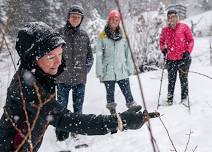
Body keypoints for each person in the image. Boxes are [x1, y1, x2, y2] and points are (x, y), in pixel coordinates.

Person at [0, 21, 151, 152]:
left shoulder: (39, 74)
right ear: (33, 58)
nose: (58, 62)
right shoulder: (27, 88)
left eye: (60, 54)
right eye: (51, 57)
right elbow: (64, 119)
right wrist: (119, 121)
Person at [55, 4, 94, 141]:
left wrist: (85, 70)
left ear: (81, 19)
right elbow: (53, 55)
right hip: (62, 79)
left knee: (78, 107)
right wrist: (56, 71)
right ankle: (61, 132)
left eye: (78, 17)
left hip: (79, 80)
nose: (76, 19)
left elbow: (90, 57)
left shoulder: (84, 36)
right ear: (68, 17)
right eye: (73, 16)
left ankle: (77, 129)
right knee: (61, 108)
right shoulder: (58, 34)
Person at [96, 10, 136, 114]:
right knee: (110, 96)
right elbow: (99, 56)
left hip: (122, 71)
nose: (114, 21)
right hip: (108, 71)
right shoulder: (102, 36)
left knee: (128, 94)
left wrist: (130, 67)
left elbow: (128, 53)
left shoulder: (124, 35)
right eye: (112, 19)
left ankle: (133, 113)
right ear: (109, 20)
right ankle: (113, 116)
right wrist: (100, 72)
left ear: (119, 21)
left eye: (117, 20)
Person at [159, 9, 194, 105]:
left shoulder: (184, 27)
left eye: (173, 17)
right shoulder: (165, 30)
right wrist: (163, 49)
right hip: (171, 60)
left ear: (177, 17)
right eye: (169, 17)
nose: (172, 19)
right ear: (167, 19)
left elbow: (191, 40)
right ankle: (169, 99)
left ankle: (184, 99)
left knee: (183, 80)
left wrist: (188, 51)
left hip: (183, 58)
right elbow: (161, 42)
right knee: (171, 81)